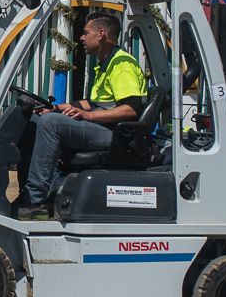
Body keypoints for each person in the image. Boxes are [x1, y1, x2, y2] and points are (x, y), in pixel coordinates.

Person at [16, 12, 147, 220]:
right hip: (102, 127)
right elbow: (93, 103)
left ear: (101, 34)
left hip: (115, 134)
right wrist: (56, 108)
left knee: (50, 124)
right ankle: (27, 193)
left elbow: (131, 109)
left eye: (86, 33)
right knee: (34, 120)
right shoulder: (104, 62)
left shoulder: (121, 65)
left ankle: (35, 200)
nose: (81, 38)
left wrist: (87, 116)